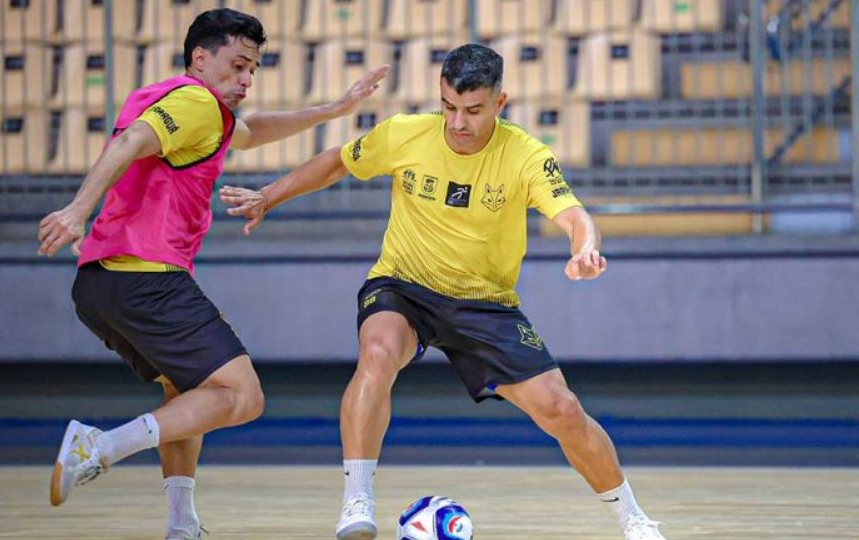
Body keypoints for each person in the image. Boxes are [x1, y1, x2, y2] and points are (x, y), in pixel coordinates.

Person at [220, 44, 667, 540]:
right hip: (403, 285)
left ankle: (633, 518)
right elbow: (337, 162)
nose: (457, 122)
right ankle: (356, 501)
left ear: (499, 103)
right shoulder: (405, 133)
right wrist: (268, 196)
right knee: (377, 353)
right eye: (449, 106)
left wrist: (584, 248)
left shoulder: (526, 155)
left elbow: (574, 215)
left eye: (472, 110)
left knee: (561, 409)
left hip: (485, 303)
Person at [36, 8, 387, 539]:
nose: (247, 79)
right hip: (148, 278)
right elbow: (129, 144)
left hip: (100, 283)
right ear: (200, 58)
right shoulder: (195, 102)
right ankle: (100, 447)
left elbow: (248, 133)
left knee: (187, 392)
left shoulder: (176, 102)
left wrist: (334, 109)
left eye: (253, 70)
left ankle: (182, 524)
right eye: (238, 65)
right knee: (243, 397)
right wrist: (76, 210)